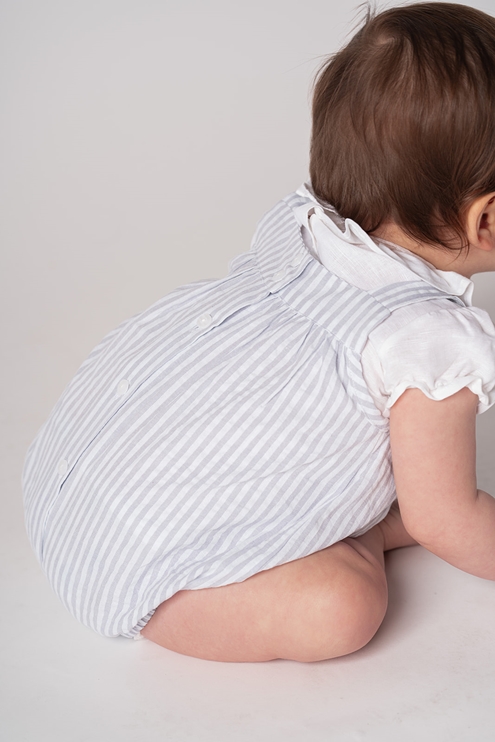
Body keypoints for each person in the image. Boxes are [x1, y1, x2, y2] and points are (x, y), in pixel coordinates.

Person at [22, 1, 495, 663]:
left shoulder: (301, 227)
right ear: (485, 222)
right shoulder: (429, 341)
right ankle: (340, 536)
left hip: (66, 484)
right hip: (142, 572)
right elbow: (443, 518)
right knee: (344, 607)